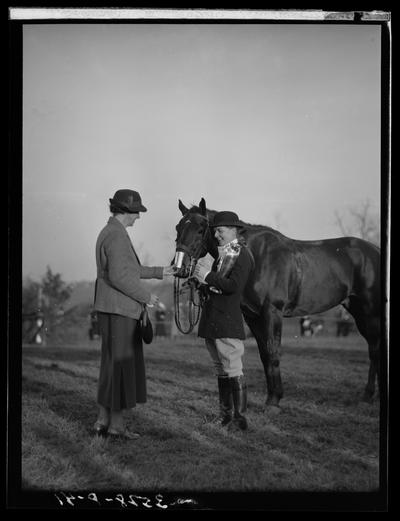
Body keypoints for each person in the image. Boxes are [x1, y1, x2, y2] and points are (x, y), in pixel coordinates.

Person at [93, 189, 175, 440]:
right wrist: (145, 296)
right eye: (137, 212)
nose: (138, 217)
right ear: (126, 211)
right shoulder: (117, 236)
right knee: (120, 367)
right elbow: (120, 276)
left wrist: (162, 271)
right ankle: (116, 427)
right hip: (121, 310)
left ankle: (102, 422)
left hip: (111, 308)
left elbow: (130, 269)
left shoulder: (109, 232)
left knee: (110, 366)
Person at [192, 211, 254, 431]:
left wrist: (207, 276)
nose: (216, 234)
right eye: (215, 231)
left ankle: (239, 419)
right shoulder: (222, 255)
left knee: (233, 369)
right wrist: (199, 281)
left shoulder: (242, 255)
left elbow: (233, 286)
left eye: (221, 230)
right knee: (221, 369)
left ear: (234, 230)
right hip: (212, 319)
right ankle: (225, 416)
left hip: (227, 320)